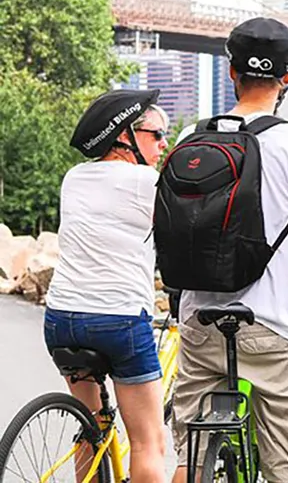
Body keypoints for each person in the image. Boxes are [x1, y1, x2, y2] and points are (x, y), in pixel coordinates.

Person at [168, 18, 288, 483]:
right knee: (286, 469)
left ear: (230, 71)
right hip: (273, 329)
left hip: (200, 323)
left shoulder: (189, 140)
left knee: (191, 461)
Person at [46, 89, 170, 483]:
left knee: (91, 429)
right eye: (156, 134)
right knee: (149, 443)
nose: (164, 143)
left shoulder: (74, 177)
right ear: (124, 137)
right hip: (118, 322)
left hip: (61, 319)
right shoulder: (146, 181)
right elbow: (180, 234)